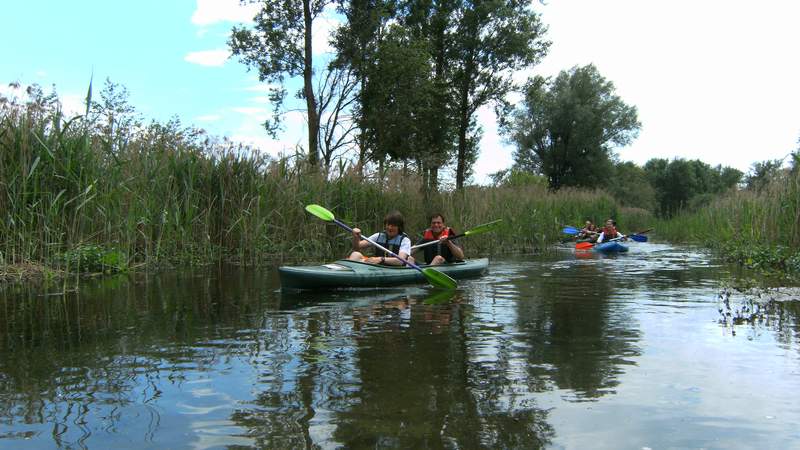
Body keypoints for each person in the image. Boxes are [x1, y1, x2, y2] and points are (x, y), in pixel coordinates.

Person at [348, 211, 414, 266]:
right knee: (355, 254)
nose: (390, 228)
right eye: (388, 225)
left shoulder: (405, 241)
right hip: (379, 267)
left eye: (393, 225)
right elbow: (357, 247)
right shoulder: (378, 236)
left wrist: (381, 259)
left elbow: (400, 261)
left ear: (399, 227)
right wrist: (356, 237)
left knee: (410, 259)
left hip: (395, 269)